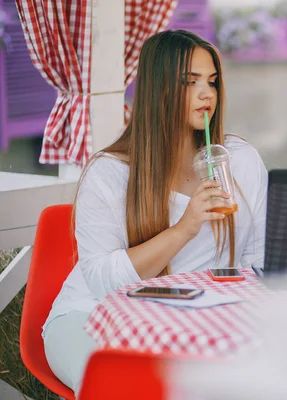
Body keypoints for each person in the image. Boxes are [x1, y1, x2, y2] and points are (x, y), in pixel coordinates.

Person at [42, 30, 267, 394]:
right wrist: (183, 229)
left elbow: (259, 260)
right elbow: (100, 280)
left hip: (190, 320)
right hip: (93, 316)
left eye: (212, 81)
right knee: (121, 388)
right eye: (189, 82)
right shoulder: (110, 172)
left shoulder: (239, 160)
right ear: (158, 89)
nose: (207, 93)